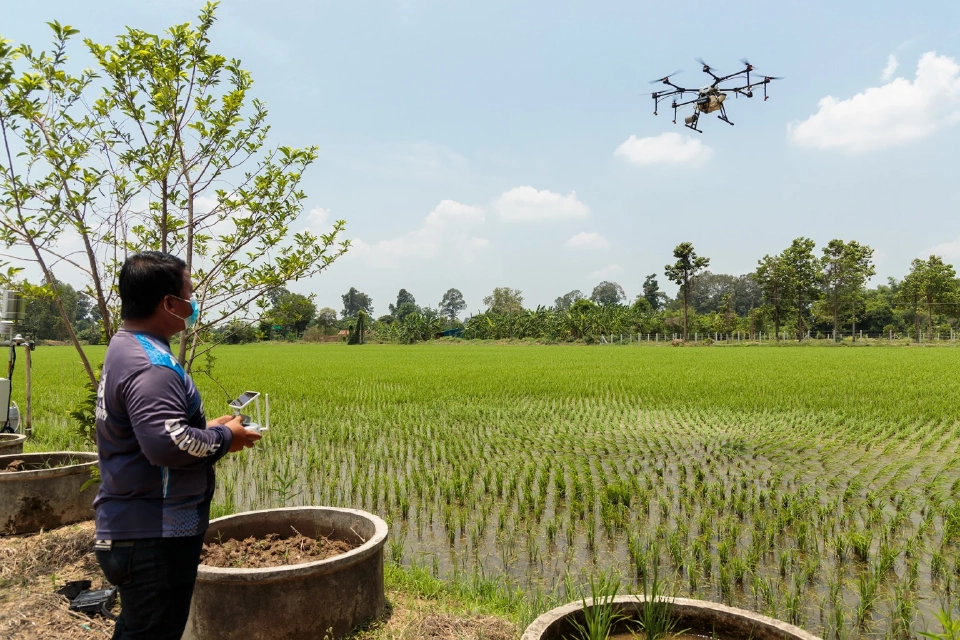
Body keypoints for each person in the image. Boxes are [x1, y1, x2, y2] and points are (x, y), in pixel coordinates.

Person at [93, 251, 261, 639]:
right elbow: (169, 447)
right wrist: (226, 437)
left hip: (133, 525)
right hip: (154, 533)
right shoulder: (152, 365)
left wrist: (207, 425)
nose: (193, 303)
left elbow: (155, 428)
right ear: (169, 303)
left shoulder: (125, 346)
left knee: (138, 628)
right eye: (188, 294)